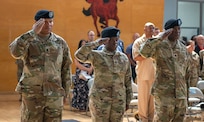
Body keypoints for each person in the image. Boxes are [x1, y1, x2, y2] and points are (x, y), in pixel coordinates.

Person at [9, 10, 72, 122]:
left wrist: (66, 92)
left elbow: (66, 67)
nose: (49, 25)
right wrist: (32, 33)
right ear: (37, 23)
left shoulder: (60, 42)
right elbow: (15, 52)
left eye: (51, 21)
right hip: (32, 94)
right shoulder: (28, 40)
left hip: (54, 94)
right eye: (45, 22)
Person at [139, 19, 197, 121]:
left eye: (179, 29)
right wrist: (159, 37)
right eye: (174, 29)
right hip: (164, 93)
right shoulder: (159, 45)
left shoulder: (183, 48)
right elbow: (144, 52)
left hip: (180, 94)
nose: (177, 32)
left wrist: (186, 95)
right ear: (167, 31)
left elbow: (186, 73)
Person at [75, 26, 132, 122]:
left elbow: (127, 80)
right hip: (100, 100)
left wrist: (128, 100)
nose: (115, 42)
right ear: (105, 41)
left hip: (118, 100)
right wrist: (97, 42)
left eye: (117, 40)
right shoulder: (97, 55)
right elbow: (79, 55)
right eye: (112, 40)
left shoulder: (123, 58)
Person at [132, 22, 156, 122]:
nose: (151, 30)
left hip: (154, 75)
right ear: (144, 29)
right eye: (149, 28)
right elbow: (136, 57)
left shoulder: (156, 41)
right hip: (143, 75)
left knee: (152, 102)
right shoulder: (138, 42)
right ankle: (143, 119)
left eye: (153, 28)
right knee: (143, 101)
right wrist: (148, 54)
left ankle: (150, 119)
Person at [72, 39, 93, 111]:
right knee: (82, 85)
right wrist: (86, 69)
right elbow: (77, 64)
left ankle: (89, 105)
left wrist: (90, 68)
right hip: (80, 72)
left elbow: (93, 62)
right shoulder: (77, 54)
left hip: (89, 72)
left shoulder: (89, 53)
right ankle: (81, 105)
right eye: (82, 45)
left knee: (91, 84)